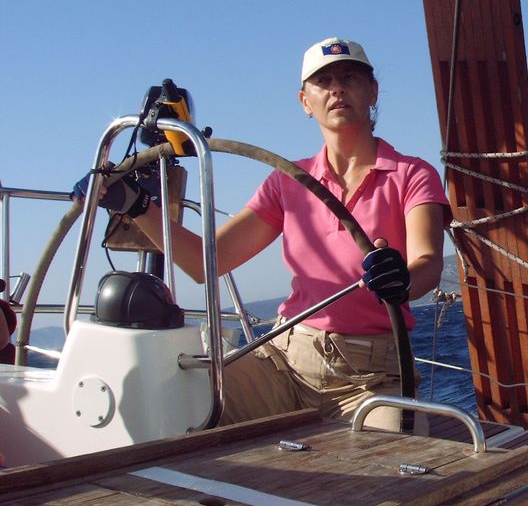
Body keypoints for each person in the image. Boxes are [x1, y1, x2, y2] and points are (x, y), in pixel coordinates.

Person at [74, 36, 448, 432]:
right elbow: (205, 263)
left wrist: (400, 279)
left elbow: (428, 265)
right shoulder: (287, 180)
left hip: (370, 379)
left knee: (396, 450)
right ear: (305, 102)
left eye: (350, 78)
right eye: (324, 81)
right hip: (284, 364)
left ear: (372, 91)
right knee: (176, 406)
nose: (337, 89)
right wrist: (135, 206)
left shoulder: (412, 175)